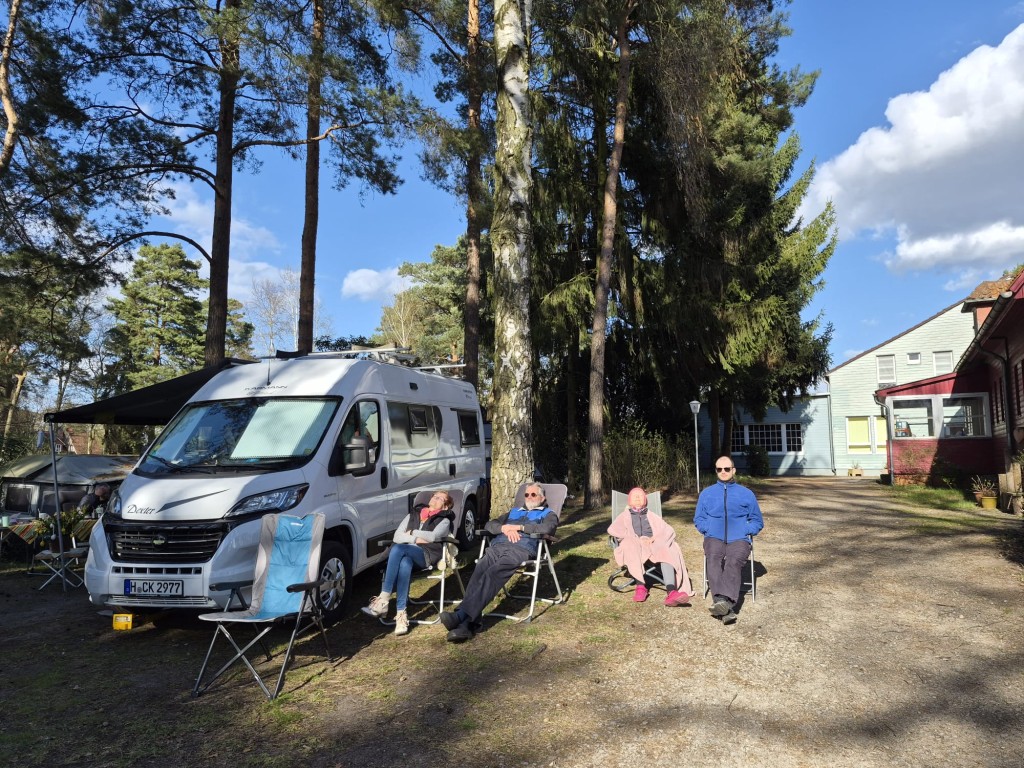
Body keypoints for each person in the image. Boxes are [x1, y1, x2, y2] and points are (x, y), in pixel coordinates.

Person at [440, 482, 558, 642]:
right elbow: (490, 524)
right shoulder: (513, 512)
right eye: (526, 495)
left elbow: (547, 529)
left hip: (521, 549)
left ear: (542, 498)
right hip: (497, 547)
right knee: (481, 568)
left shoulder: (548, 514)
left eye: (533, 494)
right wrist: (504, 528)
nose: (529, 497)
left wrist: (520, 528)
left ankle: (461, 616)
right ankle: (466, 625)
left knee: (494, 572)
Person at [362, 490, 456, 635]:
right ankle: (401, 615)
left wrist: (411, 532)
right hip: (405, 554)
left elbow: (433, 537)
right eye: (435, 496)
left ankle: (383, 599)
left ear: (445, 506)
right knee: (404, 562)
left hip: (426, 554)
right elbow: (397, 536)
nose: (435, 499)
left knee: (398, 548)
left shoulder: (444, 520)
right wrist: (416, 539)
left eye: (440, 499)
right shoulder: (413, 514)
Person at [694, 457, 764, 625]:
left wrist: (745, 530)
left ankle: (721, 603)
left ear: (733, 470)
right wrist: (708, 529)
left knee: (733, 561)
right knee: (713, 558)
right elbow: (698, 519)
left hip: (739, 538)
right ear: (716, 471)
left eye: (727, 469)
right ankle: (725, 606)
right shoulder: (707, 493)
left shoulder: (746, 494)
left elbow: (757, 521)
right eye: (719, 469)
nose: (723, 472)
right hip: (714, 537)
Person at [608, 487, 692, 606]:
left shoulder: (652, 515)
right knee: (630, 545)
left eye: (640, 496)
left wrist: (654, 538)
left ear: (645, 500)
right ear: (629, 501)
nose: (638, 498)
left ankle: (671, 591)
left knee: (666, 547)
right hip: (634, 543)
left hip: (652, 543)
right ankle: (640, 586)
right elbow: (614, 529)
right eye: (634, 496)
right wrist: (632, 538)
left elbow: (666, 529)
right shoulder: (624, 515)